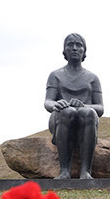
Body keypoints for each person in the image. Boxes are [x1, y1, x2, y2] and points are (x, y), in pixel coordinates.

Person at [44, 33, 104, 179]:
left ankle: (85, 171)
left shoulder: (92, 78)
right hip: (61, 118)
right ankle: (64, 170)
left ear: (84, 51)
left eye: (79, 45)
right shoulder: (55, 75)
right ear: (64, 50)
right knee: (67, 112)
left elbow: (100, 108)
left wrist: (84, 106)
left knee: (88, 113)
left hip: (86, 120)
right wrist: (57, 104)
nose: (75, 48)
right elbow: (47, 102)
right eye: (70, 45)